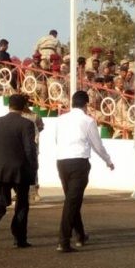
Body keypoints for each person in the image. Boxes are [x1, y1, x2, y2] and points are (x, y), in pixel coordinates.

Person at [55, 91, 115, 252]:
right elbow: (97, 145)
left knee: (72, 200)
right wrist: (108, 160)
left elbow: (57, 140)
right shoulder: (88, 121)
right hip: (79, 162)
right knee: (72, 202)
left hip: (62, 161)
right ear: (85, 104)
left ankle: (80, 235)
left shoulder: (60, 120)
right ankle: (64, 240)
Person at [0, 94, 38, 248]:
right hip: (20, 170)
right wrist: (33, 168)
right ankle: (19, 237)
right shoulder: (26, 124)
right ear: (24, 106)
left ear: (9, 105)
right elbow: (29, 149)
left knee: (1, 199)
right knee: (22, 203)